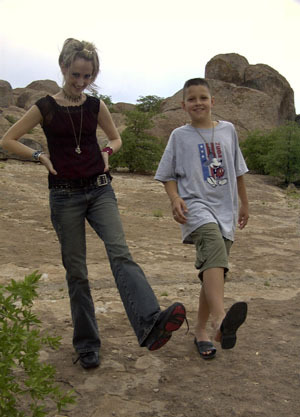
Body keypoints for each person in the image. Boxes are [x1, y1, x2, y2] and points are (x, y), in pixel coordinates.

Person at [1, 38, 186, 369]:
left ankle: (149, 322)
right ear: (63, 68)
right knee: (77, 273)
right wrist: (39, 157)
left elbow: (116, 138)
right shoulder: (44, 106)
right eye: (75, 75)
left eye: (87, 76)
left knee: (120, 253)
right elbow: (8, 139)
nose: (81, 82)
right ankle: (87, 343)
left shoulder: (95, 106)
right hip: (64, 196)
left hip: (100, 190)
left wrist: (107, 153)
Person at [155, 78, 249, 360]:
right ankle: (220, 320)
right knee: (211, 247)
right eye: (192, 99)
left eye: (203, 98)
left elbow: (238, 170)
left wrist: (244, 204)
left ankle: (201, 332)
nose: (198, 103)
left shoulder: (228, 131)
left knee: (214, 269)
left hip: (226, 209)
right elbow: (167, 175)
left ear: (212, 102)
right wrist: (175, 199)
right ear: (183, 105)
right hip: (196, 207)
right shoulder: (178, 136)